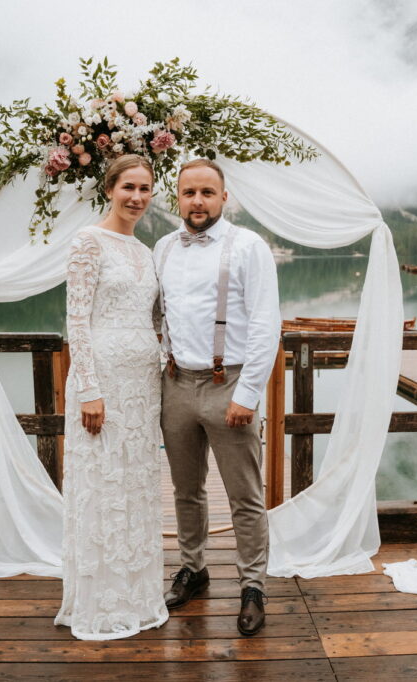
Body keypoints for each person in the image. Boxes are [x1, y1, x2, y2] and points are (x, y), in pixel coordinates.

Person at [153, 159, 282, 636]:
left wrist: (247, 394)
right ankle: (194, 568)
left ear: (224, 197)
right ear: (178, 198)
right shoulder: (163, 247)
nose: (198, 201)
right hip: (176, 384)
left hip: (230, 383)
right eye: (189, 193)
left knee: (245, 497)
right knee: (186, 490)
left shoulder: (248, 246)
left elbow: (267, 325)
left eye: (208, 192)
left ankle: (253, 586)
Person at [54, 155, 168, 640]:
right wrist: (89, 390)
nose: (137, 197)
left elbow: (155, 317)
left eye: (145, 188)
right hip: (103, 383)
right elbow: (76, 319)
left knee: (136, 486)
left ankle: (139, 596)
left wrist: (161, 357)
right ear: (110, 189)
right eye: (128, 187)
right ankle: (101, 602)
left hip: (144, 385)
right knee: (103, 485)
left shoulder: (146, 252)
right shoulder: (87, 242)